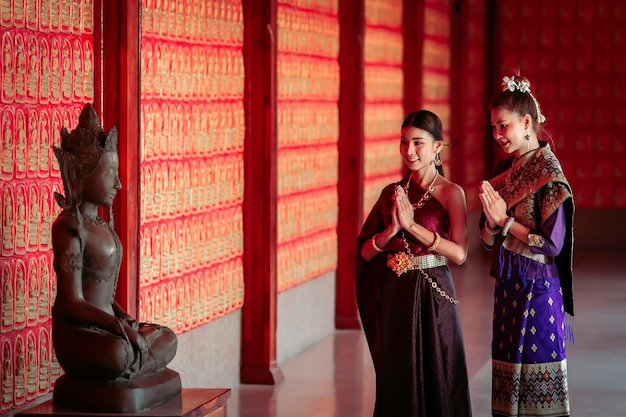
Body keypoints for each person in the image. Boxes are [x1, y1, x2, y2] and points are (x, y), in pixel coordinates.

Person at [50, 103, 179, 411]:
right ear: (82, 174)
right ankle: (133, 359)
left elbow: (104, 297)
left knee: (167, 338)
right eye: (110, 174)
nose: (118, 184)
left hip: (110, 328)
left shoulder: (101, 226)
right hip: (80, 336)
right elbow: (73, 303)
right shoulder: (70, 227)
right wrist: (121, 331)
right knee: (116, 353)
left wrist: (126, 320)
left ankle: (135, 358)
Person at [356, 110, 472, 416]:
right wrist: (392, 229)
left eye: (418, 143)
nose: (409, 150)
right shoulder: (390, 195)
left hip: (434, 295)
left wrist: (412, 226)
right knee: (398, 375)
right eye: (404, 142)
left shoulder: (451, 194)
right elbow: (365, 254)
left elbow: (460, 254)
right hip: (396, 297)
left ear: (437, 147)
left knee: (441, 371)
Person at [478, 75, 574, 417]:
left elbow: (551, 244)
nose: (497, 135)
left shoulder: (548, 173)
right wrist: (491, 226)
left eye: (503, 126)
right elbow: (488, 240)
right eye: (493, 127)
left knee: (536, 379)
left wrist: (504, 222)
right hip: (508, 288)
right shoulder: (505, 170)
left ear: (527, 122)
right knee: (506, 380)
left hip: (538, 288)